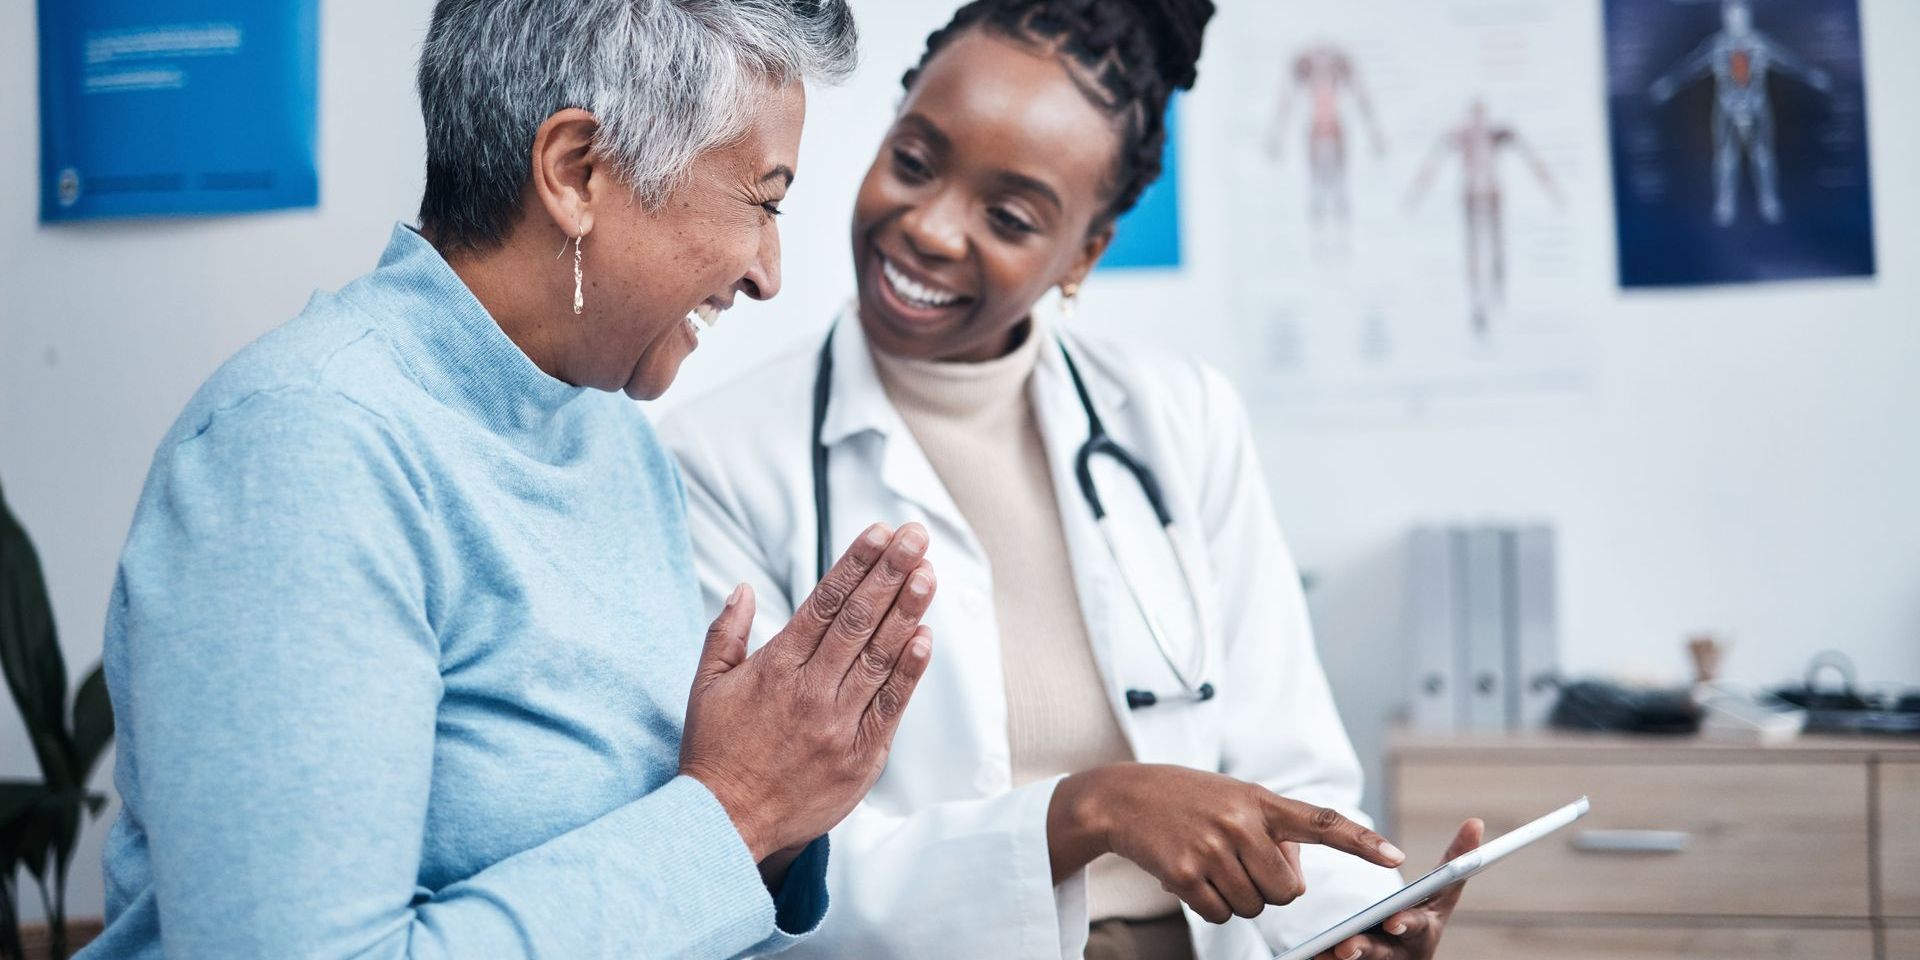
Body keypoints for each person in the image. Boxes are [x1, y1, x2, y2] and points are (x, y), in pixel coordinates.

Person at [80, 3, 941, 958]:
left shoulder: (610, 432)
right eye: (763, 199)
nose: (768, 272)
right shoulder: (303, 449)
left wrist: (775, 820)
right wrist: (735, 815)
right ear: (578, 171)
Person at [659, 1, 1483, 958]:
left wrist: (1350, 919)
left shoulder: (1179, 418)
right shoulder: (717, 459)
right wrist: (1085, 812)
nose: (928, 227)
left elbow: (1286, 763)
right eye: (915, 161)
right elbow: (767, 855)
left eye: (1008, 216)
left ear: (1084, 253)